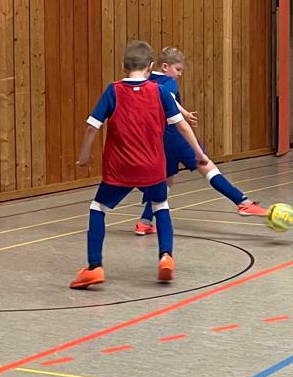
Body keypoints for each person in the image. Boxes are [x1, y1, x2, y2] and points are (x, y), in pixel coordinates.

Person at [70, 39, 200, 290]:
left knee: (98, 208)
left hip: (120, 168)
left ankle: (94, 267)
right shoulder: (160, 91)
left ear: (123, 66)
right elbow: (182, 126)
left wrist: (84, 156)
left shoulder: (113, 91)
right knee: (161, 206)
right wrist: (198, 153)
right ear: (151, 66)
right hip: (153, 167)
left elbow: (91, 127)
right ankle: (166, 257)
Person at [134, 46, 265, 233]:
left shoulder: (148, 79)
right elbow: (168, 97)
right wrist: (184, 113)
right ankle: (242, 201)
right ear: (165, 66)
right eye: (177, 69)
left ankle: (145, 222)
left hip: (157, 138)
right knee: (206, 165)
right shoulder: (168, 81)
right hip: (174, 134)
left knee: (166, 180)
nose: (179, 74)